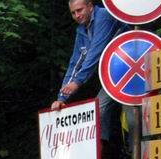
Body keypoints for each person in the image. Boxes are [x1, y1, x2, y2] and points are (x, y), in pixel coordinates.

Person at [49, 0, 125, 144]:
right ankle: (97, 156)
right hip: (114, 76)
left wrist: (77, 82)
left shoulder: (103, 16)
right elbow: (75, 63)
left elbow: (94, 53)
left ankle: (138, 151)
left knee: (132, 117)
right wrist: (61, 98)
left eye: (80, 10)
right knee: (98, 112)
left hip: (132, 69)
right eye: (73, 13)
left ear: (90, 6)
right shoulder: (82, 30)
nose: (77, 15)